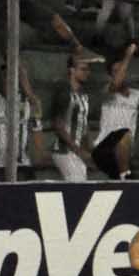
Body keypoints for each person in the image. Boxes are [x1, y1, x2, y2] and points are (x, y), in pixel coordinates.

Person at [90, 43, 139, 180]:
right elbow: (116, 83)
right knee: (124, 132)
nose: (120, 73)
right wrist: (128, 56)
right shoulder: (107, 91)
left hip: (124, 155)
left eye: (122, 70)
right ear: (110, 76)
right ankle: (125, 175)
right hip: (104, 149)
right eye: (116, 72)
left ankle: (124, 176)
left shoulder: (136, 95)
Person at [49, 51, 97, 181]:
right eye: (83, 69)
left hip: (76, 151)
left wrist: (92, 149)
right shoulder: (64, 93)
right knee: (77, 186)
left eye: (88, 69)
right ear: (72, 70)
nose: (87, 72)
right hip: (64, 151)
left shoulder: (83, 95)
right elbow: (58, 126)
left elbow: (84, 124)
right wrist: (79, 151)